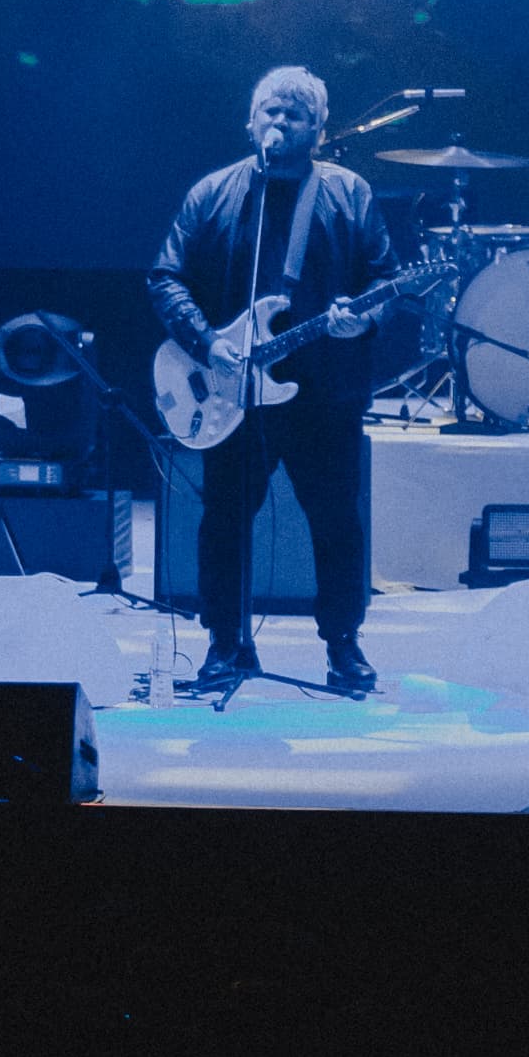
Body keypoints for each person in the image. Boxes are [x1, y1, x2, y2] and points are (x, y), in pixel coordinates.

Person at [146, 66, 399, 698]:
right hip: (233, 396)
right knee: (225, 521)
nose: (279, 125)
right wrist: (209, 342)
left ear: (318, 129)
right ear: (250, 121)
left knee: (337, 521)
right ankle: (226, 645)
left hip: (326, 391)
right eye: (269, 113)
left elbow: (384, 282)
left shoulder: (350, 194)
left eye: (294, 116)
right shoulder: (214, 194)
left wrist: (358, 319)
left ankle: (343, 644)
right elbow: (164, 277)